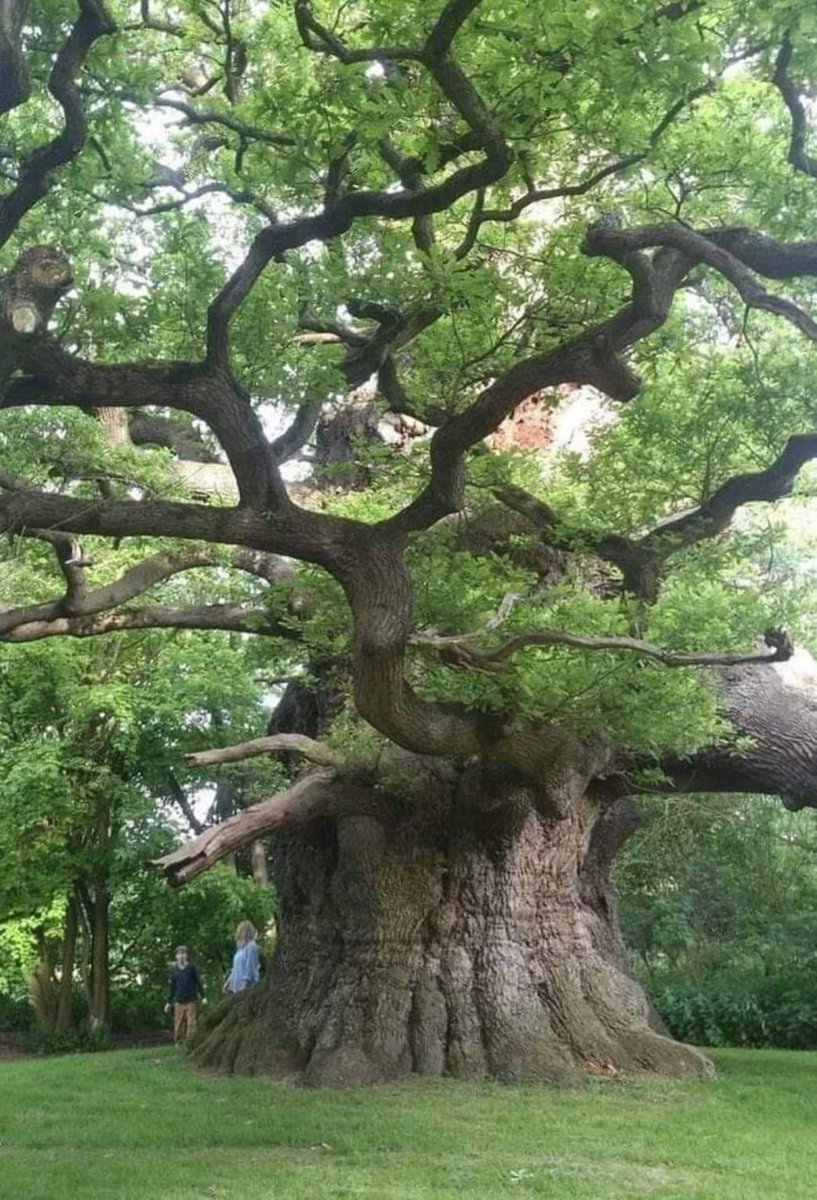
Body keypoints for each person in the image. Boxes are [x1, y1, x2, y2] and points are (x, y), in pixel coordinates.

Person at [164, 945, 205, 1043]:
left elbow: (198, 982)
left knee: (191, 1023)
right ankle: (179, 1041)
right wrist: (169, 1002)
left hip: (191, 999)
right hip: (179, 1000)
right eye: (179, 954)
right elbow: (172, 988)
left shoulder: (191, 968)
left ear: (186, 955)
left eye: (183, 953)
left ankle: (191, 1041)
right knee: (179, 1023)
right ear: (176, 956)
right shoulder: (174, 971)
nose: (181, 956)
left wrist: (203, 996)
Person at [224, 921, 260, 995]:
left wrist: (245, 985)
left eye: (242, 931)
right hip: (236, 988)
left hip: (247, 988)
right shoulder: (239, 950)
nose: (240, 934)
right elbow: (234, 969)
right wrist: (228, 983)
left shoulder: (252, 946)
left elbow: (250, 967)